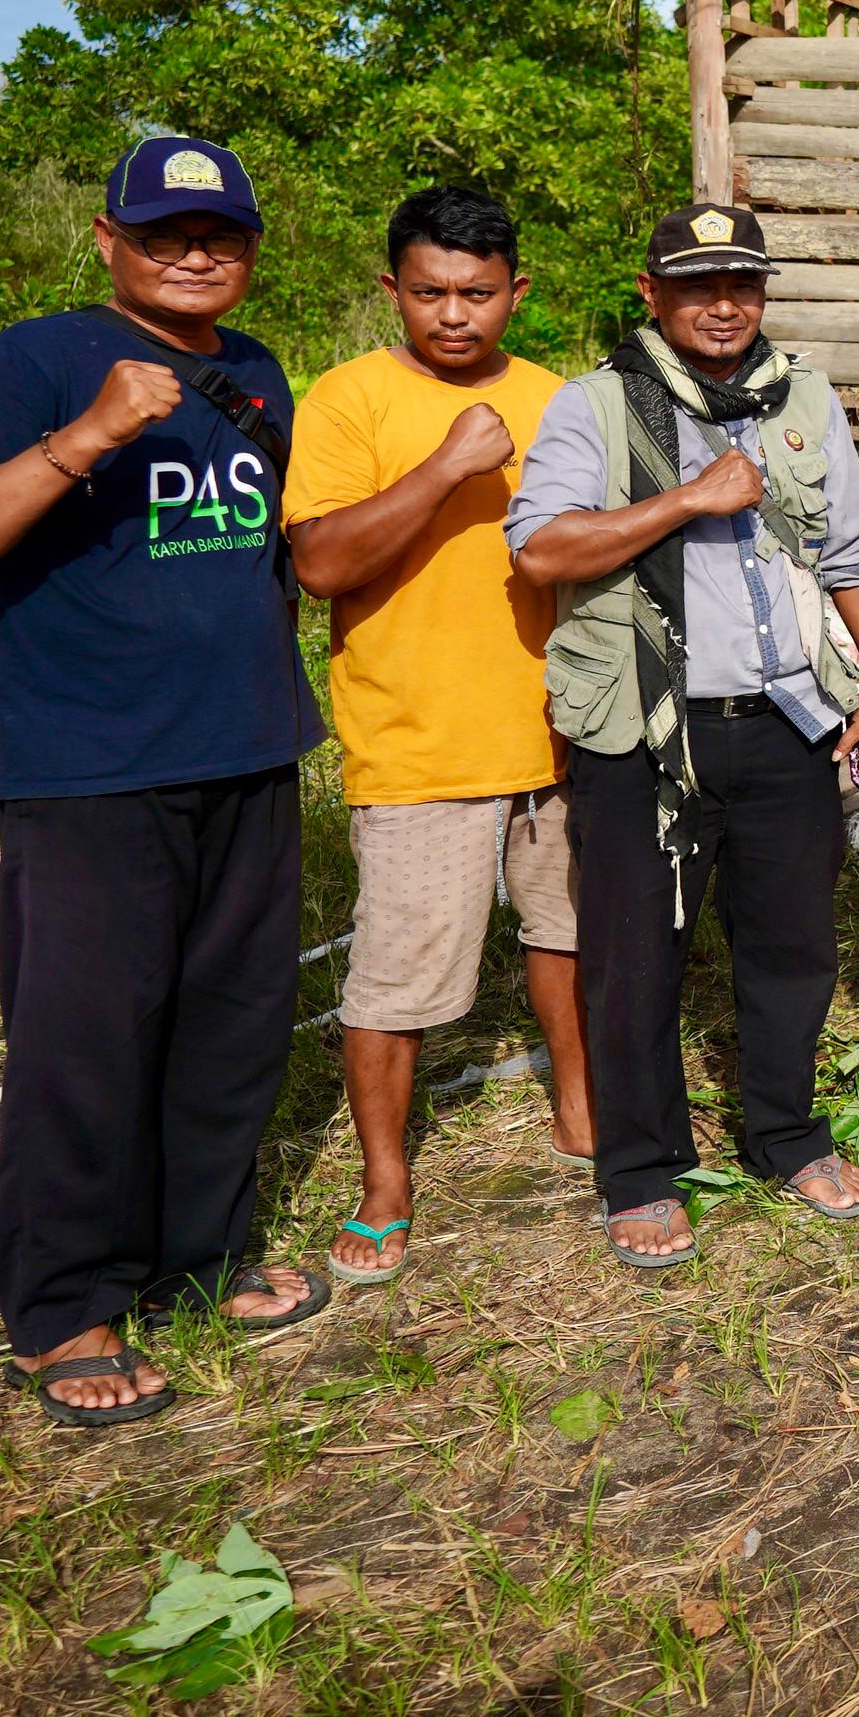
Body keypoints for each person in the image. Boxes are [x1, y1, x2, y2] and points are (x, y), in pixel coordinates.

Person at [0, 134, 329, 1429]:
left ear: (250, 247)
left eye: (220, 236)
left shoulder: (257, 374)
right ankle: (64, 1307)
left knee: (229, 1031)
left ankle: (197, 1264)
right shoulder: (35, 358)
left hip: (249, 750)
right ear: (109, 241)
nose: (195, 255)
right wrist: (87, 434)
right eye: (163, 235)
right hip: (90, 769)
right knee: (84, 1046)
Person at [504, 203, 859, 1268]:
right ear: (651, 294)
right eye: (695, 284)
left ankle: (787, 1135)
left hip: (789, 722)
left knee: (792, 946)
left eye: (741, 282)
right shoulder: (597, 405)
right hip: (644, 728)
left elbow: (853, 550)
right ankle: (639, 1171)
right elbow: (542, 547)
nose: (722, 303)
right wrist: (688, 499)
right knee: (634, 958)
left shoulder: (803, 397)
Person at [284, 185, 596, 1287]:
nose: (454, 315)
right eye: (429, 292)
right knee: (396, 974)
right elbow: (320, 564)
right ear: (391, 291)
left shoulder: (564, 399)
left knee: (568, 932)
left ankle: (579, 1107)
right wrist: (446, 466)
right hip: (415, 736)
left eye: (477, 292)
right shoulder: (347, 400)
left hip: (560, 726)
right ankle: (384, 1181)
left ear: (519, 291)